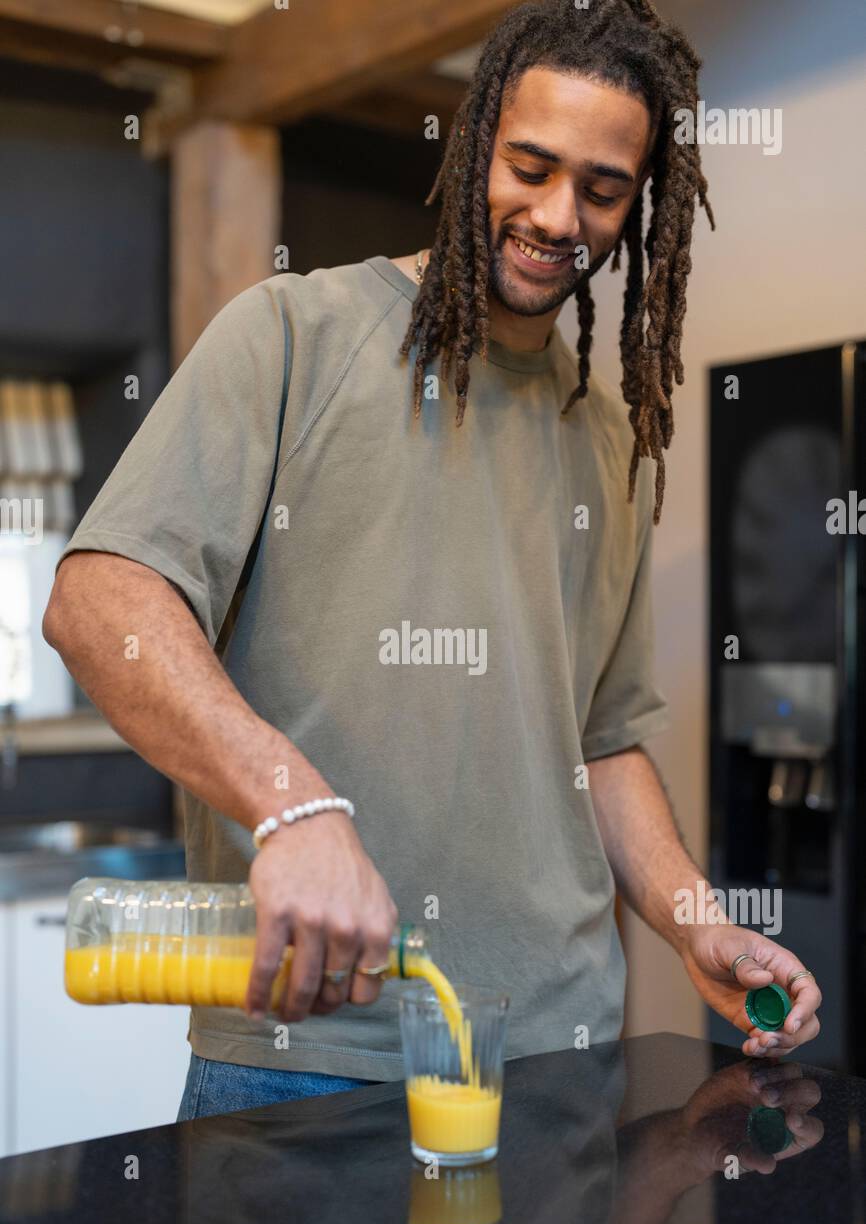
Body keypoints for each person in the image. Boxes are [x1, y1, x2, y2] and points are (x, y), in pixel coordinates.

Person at [44, 0, 820, 1121]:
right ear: (470, 149)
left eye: (601, 190)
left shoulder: (609, 433)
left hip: (559, 1050)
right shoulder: (292, 336)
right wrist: (291, 809)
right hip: (306, 1052)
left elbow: (599, 738)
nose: (559, 215)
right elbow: (97, 598)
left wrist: (693, 916)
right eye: (529, 165)